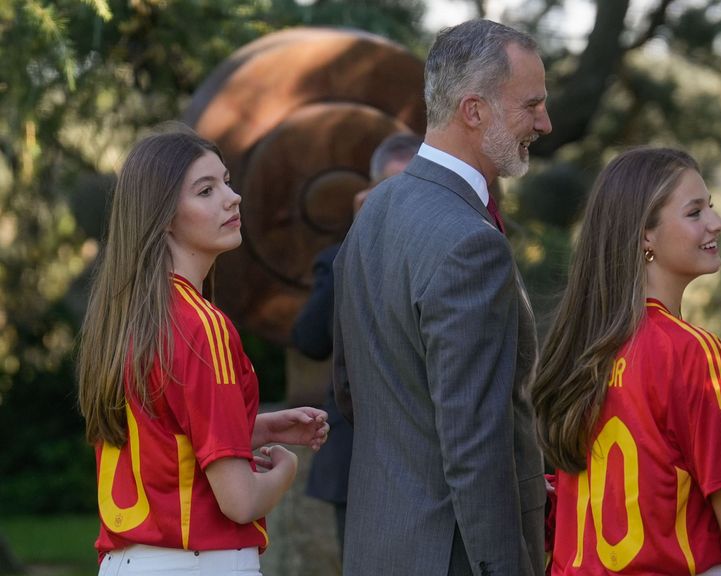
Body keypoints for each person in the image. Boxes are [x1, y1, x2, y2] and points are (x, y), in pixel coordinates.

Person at [332, 19, 552, 576]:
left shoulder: (373, 213)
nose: (545, 123)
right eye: (531, 105)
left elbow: (349, 390)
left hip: (377, 548)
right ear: (474, 111)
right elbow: (476, 444)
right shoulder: (471, 242)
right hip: (456, 554)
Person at [77, 126, 329, 574]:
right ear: (165, 216)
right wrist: (285, 471)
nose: (232, 198)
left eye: (227, 182)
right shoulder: (201, 325)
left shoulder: (126, 320)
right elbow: (240, 501)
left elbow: (166, 444)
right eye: (206, 190)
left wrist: (261, 430)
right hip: (200, 563)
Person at [531, 147, 721, 575]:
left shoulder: (578, 349)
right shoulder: (693, 352)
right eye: (694, 212)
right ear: (645, 235)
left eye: (711, 208)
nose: (716, 223)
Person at [290, 131, 421, 566]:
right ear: (369, 192)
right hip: (355, 459)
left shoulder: (441, 258)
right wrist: (359, 239)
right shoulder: (339, 257)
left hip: (422, 457)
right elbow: (309, 341)